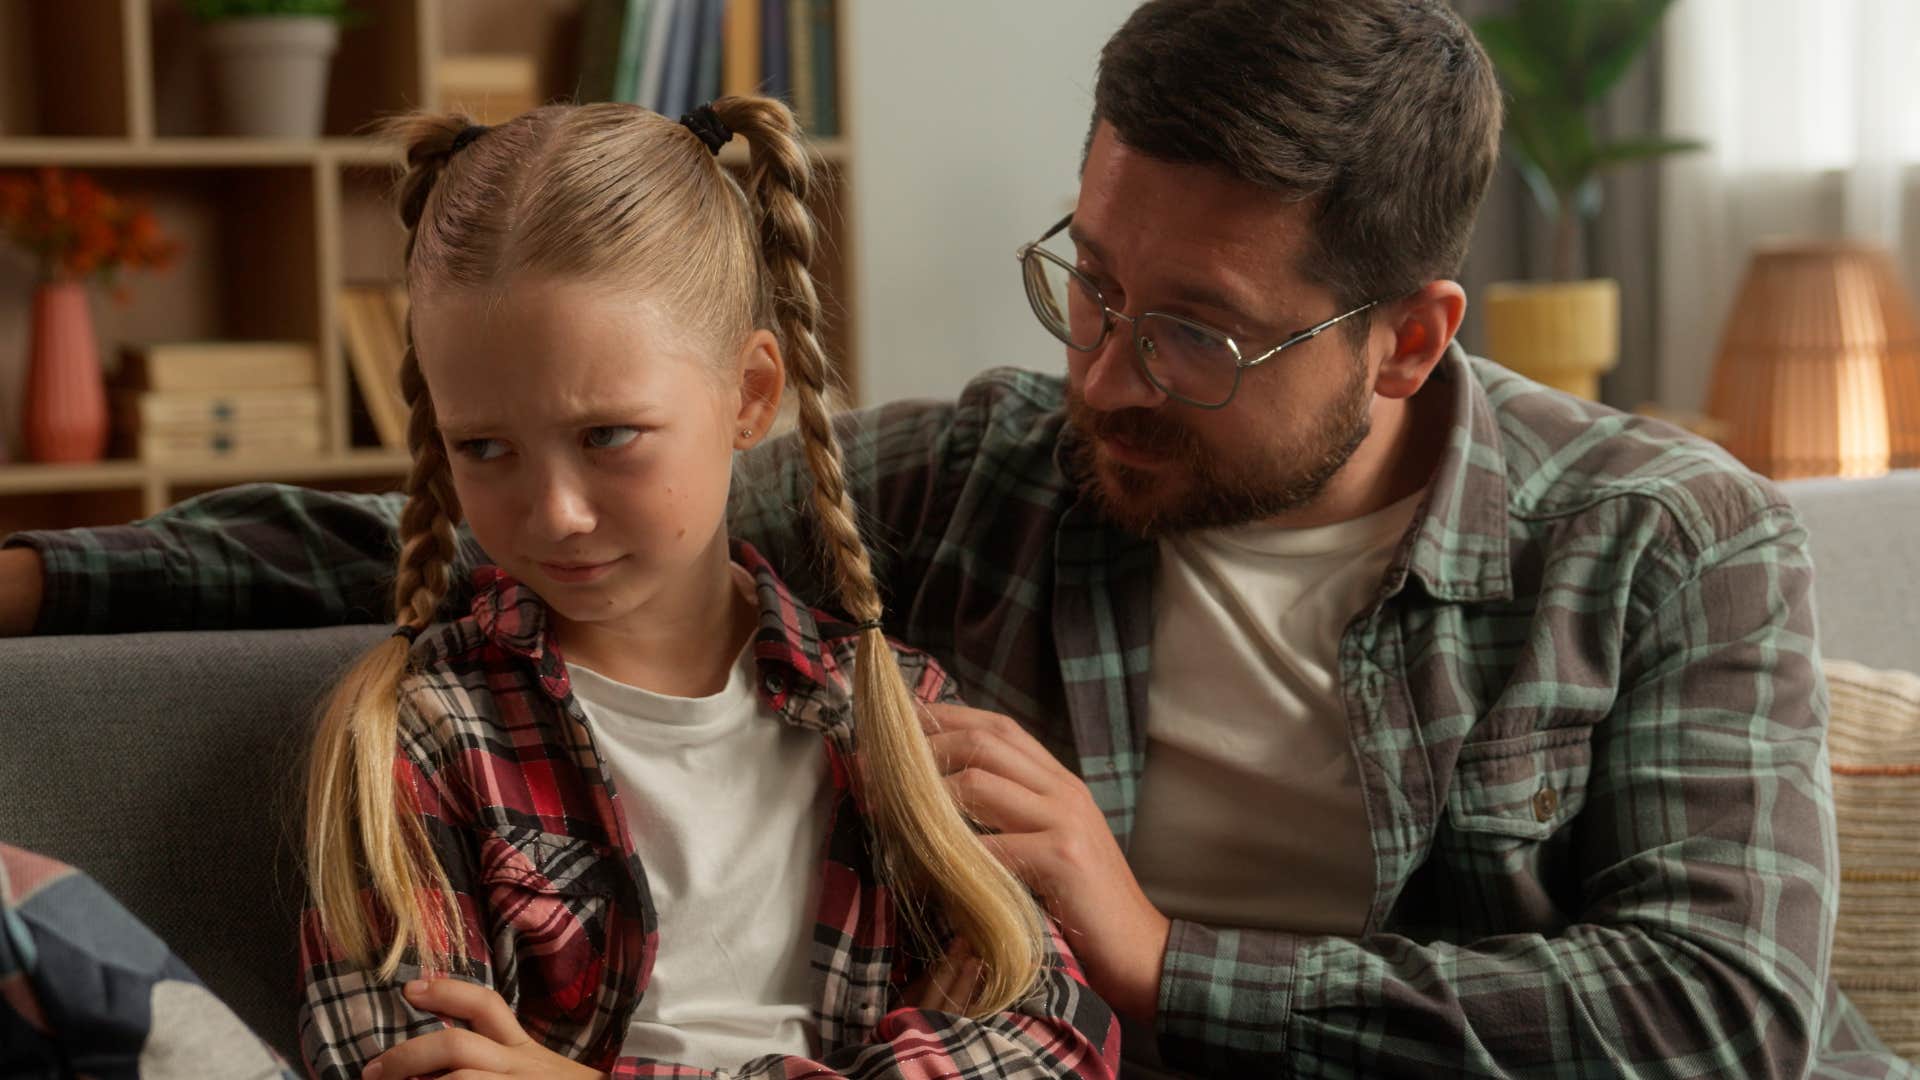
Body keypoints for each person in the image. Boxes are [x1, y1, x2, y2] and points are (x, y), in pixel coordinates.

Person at [0, 1, 1909, 1076]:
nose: (1103, 373)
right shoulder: (1003, 474)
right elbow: (547, 511)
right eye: (1090, 279)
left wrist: (1165, 958)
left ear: (1410, 336)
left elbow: (1713, 1009)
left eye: (1197, 331)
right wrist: (38, 575)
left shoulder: (1666, 537)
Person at [286, 98, 1116, 1080]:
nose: (555, 513)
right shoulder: (413, 743)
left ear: (751, 397)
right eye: (486, 448)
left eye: (606, 437)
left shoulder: (898, 716)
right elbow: (405, 1067)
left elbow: (1055, 1041)